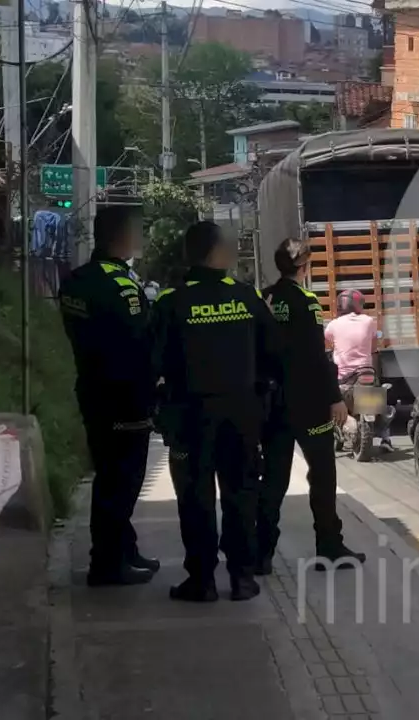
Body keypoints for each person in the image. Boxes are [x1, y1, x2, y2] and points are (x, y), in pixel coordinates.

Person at [149, 221, 278, 603]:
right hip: (241, 416)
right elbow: (274, 355)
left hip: (190, 418)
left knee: (195, 498)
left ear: (190, 255)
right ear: (218, 254)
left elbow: (151, 362)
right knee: (240, 493)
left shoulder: (170, 302)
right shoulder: (247, 298)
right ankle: (242, 577)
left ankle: (201, 580)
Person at [59, 206, 158, 587]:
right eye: (138, 232)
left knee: (110, 473)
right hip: (124, 395)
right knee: (122, 480)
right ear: (123, 238)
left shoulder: (76, 279)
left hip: (92, 387)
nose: (142, 239)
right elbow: (139, 345)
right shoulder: (121, 286)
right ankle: (106, 562)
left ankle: (124, 548)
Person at [257, 240, 365, 576]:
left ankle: (261, 554)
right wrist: (335, 398)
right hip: (308, 403)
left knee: (273, 480)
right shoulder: (306, 300)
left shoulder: (264, 297)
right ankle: (329, 547)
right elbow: (316, 356)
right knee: (322, 476)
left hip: (273, 404)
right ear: (304, 267)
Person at [325, 290, 394, 450]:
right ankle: (386, 438)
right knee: (381, 400)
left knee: (326, 401)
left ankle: (342, 428)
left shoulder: (334, 324)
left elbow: (325, 342)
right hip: (366, 376)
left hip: (343, 380)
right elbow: (373, 349)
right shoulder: (369, 321)